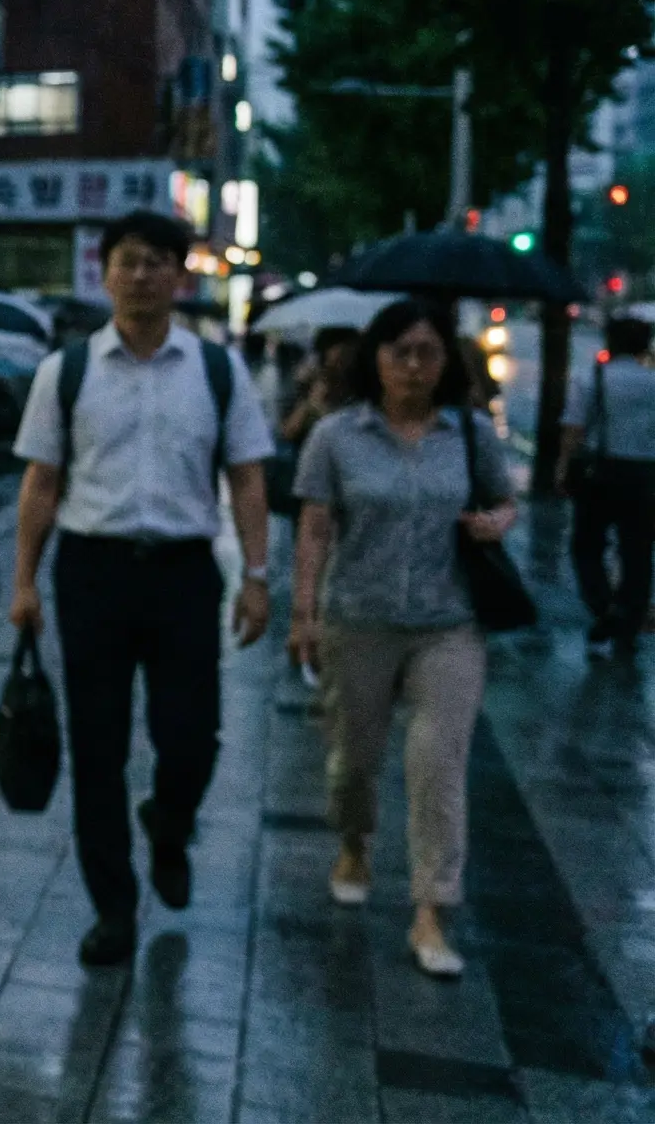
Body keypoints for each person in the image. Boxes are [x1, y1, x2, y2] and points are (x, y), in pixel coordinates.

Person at [9, 210, 276, 968]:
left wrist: (257, 578)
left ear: (179, 276)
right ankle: (114, 909)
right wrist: (24, 581)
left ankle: (169, 820)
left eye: (158, 261)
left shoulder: (216, 371)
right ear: (105, 271)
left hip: (186, 574)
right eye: (128, 261)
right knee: (97, 749)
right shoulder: (67, 370)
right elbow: (41, 481)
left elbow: (248, 477)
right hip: (92, 574)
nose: (141, 274)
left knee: (192, 735)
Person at [287, 300, 514, 978]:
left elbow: (506, 499)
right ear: (375, 359)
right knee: (353, 762)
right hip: (358, 618)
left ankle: (431, 911)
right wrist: (303, 612)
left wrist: (497, 522)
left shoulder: (471, 434)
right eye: (399, 351)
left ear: (447, 362)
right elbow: (316, 526)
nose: (413, 366)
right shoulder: (336, 435)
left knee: (438, 765)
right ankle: (354, 842)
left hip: (449, 624)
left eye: (428, 352)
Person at [560, 316, 655, 657]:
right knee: (638, 551)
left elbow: (573, 429)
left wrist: (561, 469)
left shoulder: (591, 378)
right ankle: (629, 619)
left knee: (586, 545)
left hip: (600, 473)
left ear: (610, 343)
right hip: (644, 474)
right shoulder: (652, 382)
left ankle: (604, 606)